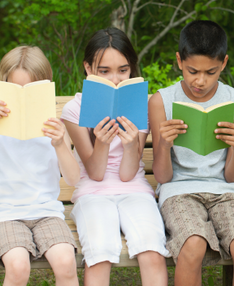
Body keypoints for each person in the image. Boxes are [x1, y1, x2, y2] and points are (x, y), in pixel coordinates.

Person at [149, 20, 234, 286]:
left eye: (211, 72)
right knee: (192, 246)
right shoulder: (161, 101)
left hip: (226, 190)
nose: (200, 81)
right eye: (192, 71)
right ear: (179, 61)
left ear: (223, 63)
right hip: (178, 191)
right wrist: (165, 145)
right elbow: (163, 177)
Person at [61, 28, 169, 286]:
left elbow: (127, 174)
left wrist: (131, 145)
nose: (116, 79)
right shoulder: (74, 109)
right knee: (99, 254)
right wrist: (102, 142)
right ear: (88, 68)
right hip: (92, 192)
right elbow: (96, 173)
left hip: (134, 188)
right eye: (104, 71)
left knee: (152, 251)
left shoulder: (140, 104)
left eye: (123, 70)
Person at [0, 46, 80, 286]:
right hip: (6, 214)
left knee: (66, 263)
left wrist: (60, 143)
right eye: (16, 90)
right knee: (18, 267)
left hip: (46, 212)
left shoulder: (55, 124)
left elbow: (73, 179)